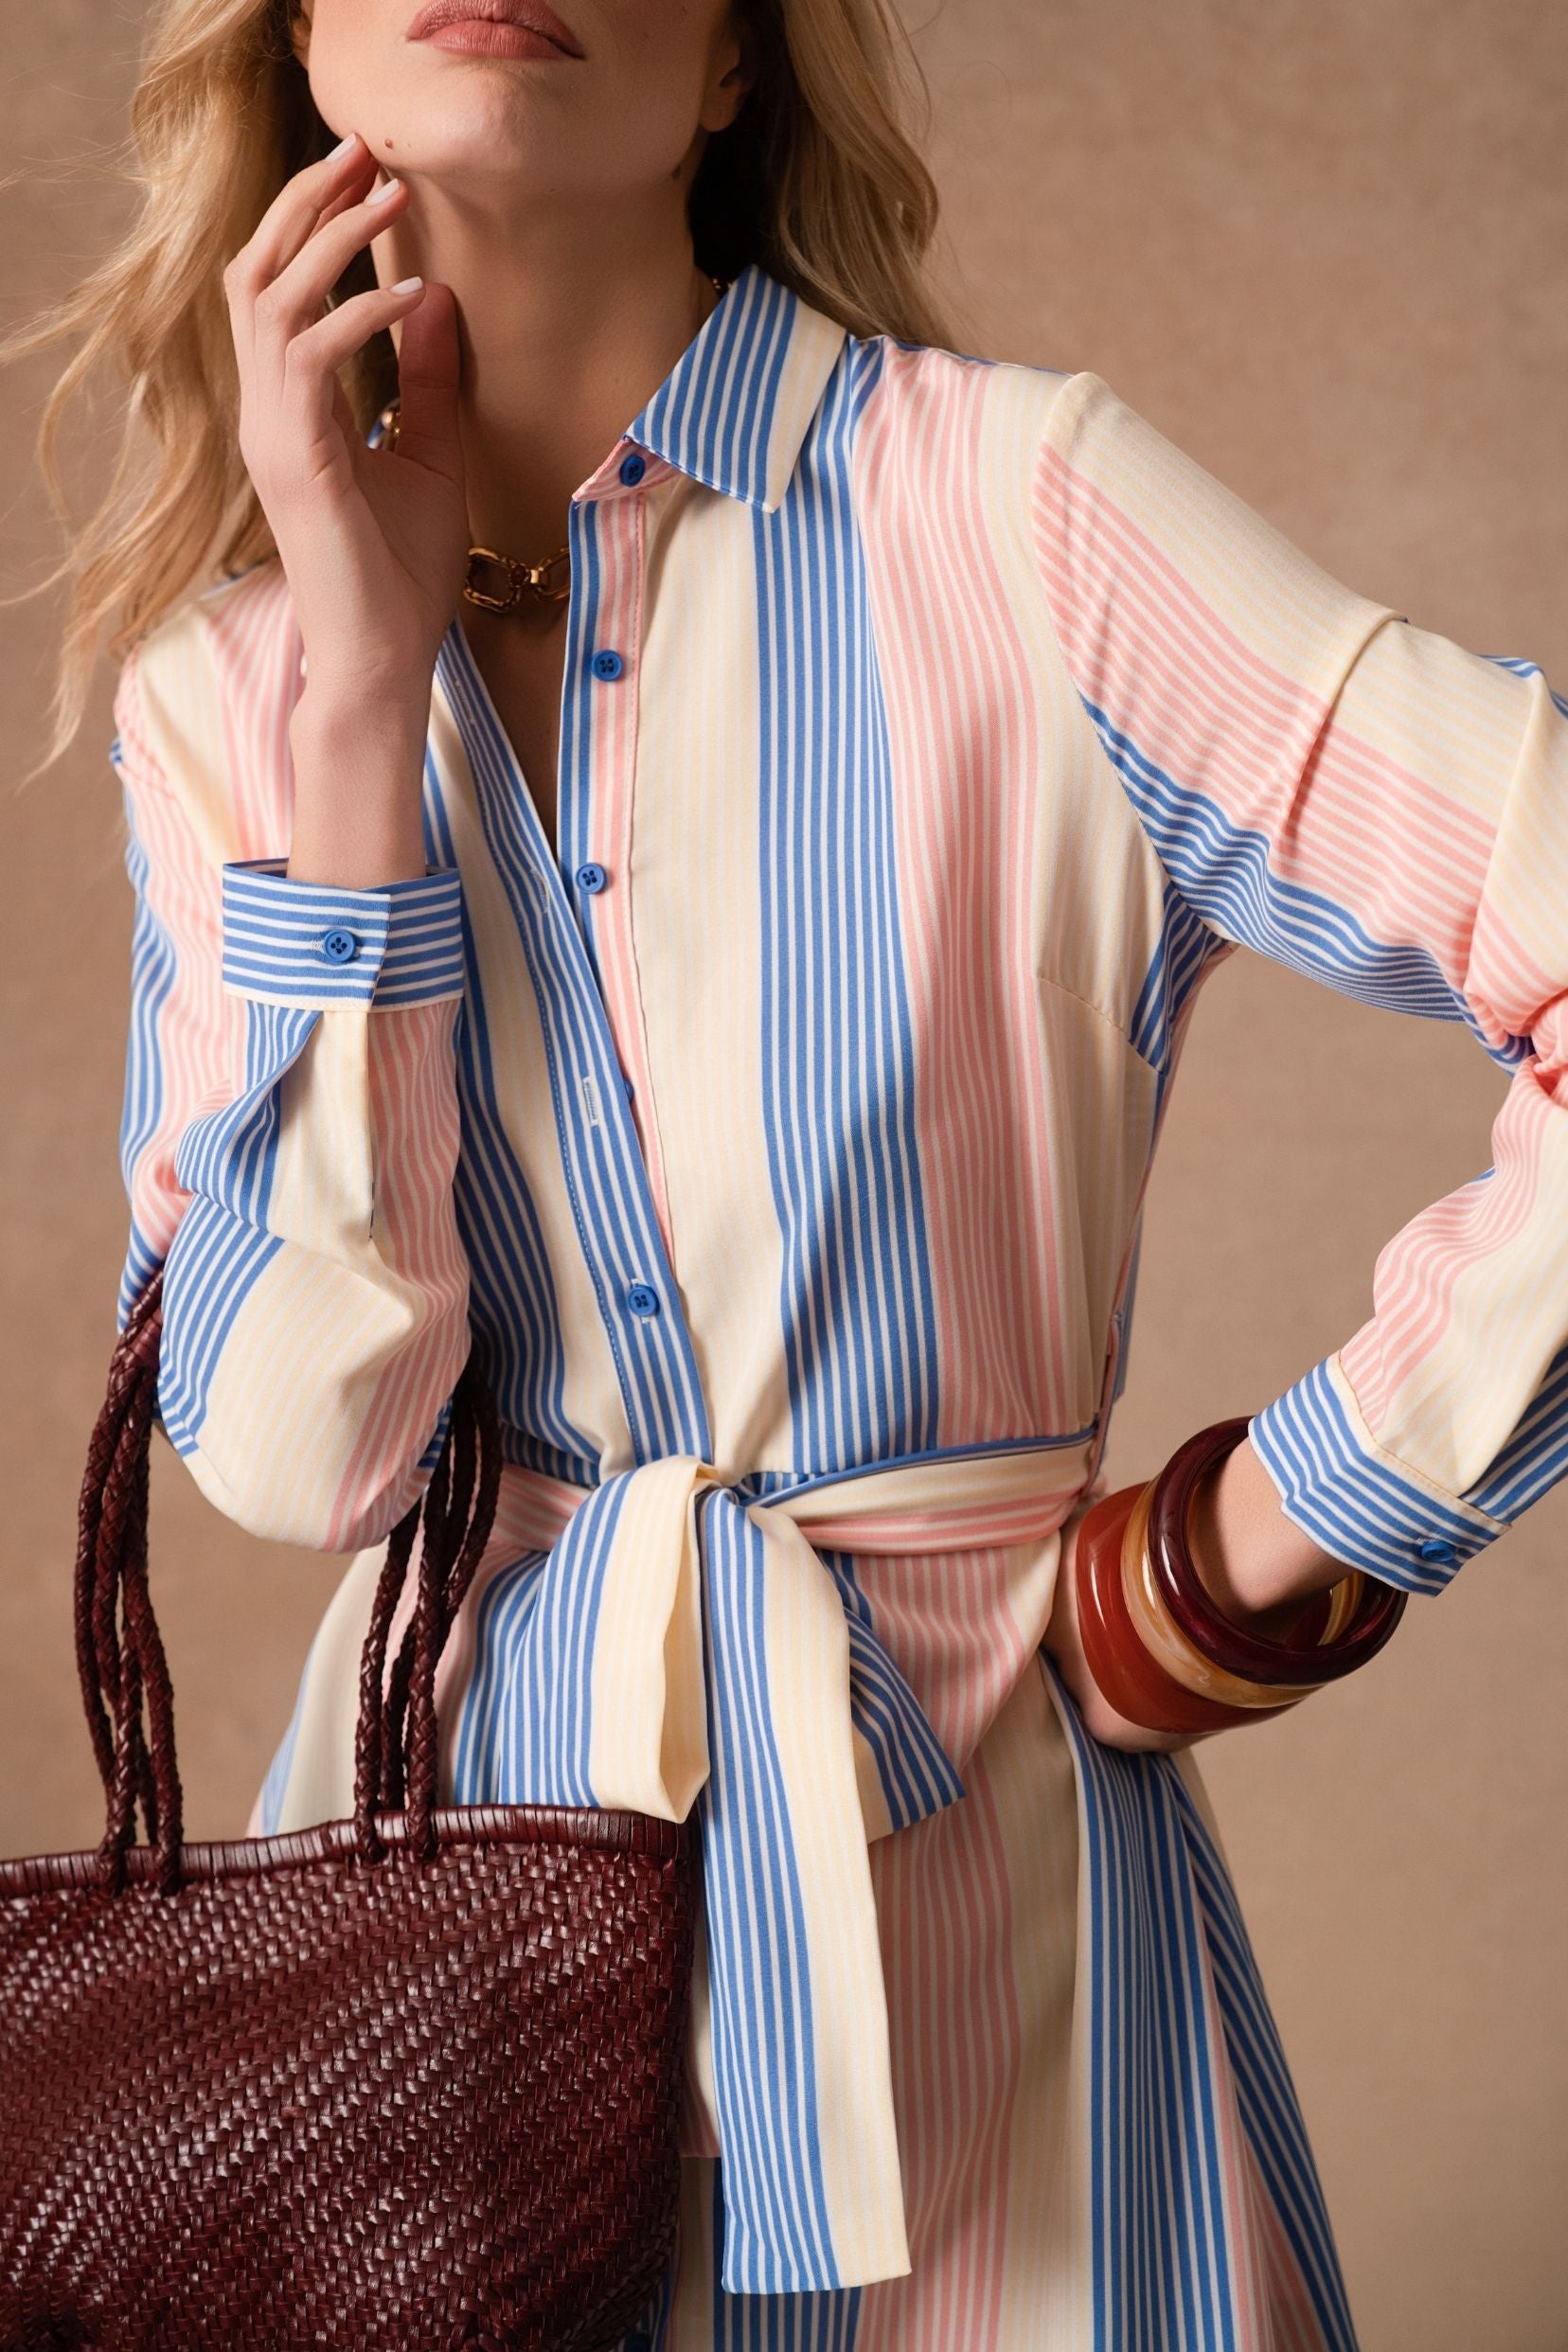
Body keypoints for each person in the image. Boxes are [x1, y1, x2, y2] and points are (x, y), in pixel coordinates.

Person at [7, 0, 1565, 2343]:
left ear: (736, 61)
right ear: (302, 36)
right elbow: (306, 1450)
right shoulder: (225, 698)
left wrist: (1272, 1545)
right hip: (447, 2002)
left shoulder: (1014, 513)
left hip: (1009, 1940)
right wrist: (354, 695)